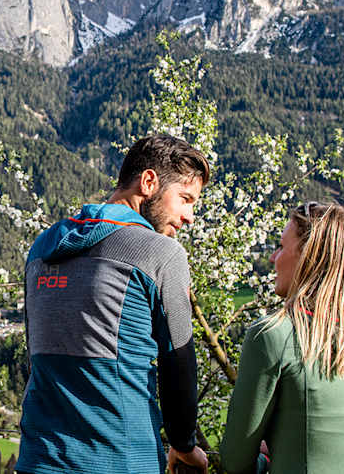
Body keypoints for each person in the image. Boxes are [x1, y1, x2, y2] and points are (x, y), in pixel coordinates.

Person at [15, 134, 211, 474]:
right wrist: (184, 444)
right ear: (149, 182)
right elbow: (179, 362)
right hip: (121, 458)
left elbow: (36, 352)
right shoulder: (161, 254)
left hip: (40, 459)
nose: (189, 216)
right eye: (185, 199)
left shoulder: (43, 246)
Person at [220, 202, 344, 474]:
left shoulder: (273, 336)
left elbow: (235, 461)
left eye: (282, 247)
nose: (274, 257)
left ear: (308, 259)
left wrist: (269, 460)